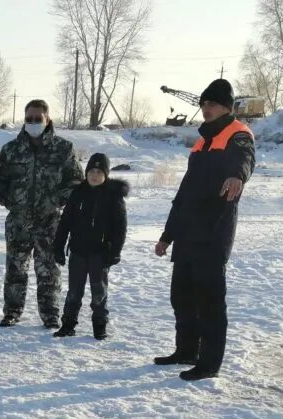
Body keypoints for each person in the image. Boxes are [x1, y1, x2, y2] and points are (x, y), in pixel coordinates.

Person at [153, 78, 256, 381]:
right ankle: (186, 350)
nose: (205, 109)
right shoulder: (201, 142)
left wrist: (238, 175)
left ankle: (209, 362)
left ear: (226, 106)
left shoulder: (237, 134)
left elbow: (245, 160)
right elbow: (183, 194)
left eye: (211, 104)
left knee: (209, 301)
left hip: (213, 232)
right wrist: (166, 235)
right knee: (181, 297)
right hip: (186, 233)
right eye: (203, 104)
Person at [0, 98, 83, 329]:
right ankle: (12, 311)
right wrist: (10, 201)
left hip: (49, 222)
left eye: (37, 119)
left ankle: (50, 314)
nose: (33, 122)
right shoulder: (11, 150)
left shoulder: (63, 149)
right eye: (29, 119)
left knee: (49, 271)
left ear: (47, 119)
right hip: (19, 222)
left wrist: (57, 200)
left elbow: (75, 181)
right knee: (15, 270)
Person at [52, 152, 128, 340]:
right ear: (86, 173)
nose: (94, 175)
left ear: (106, 174)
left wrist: (115, 251)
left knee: (99, 292)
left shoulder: (113, 196)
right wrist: (58, 246)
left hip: (100, 253)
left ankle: (99, 326)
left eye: (99, 172)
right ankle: (68, 324)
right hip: (78, 250)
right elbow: (65, 222)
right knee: (74, 291)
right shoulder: (78, 193)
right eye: (91, 171)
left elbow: (120, 227)